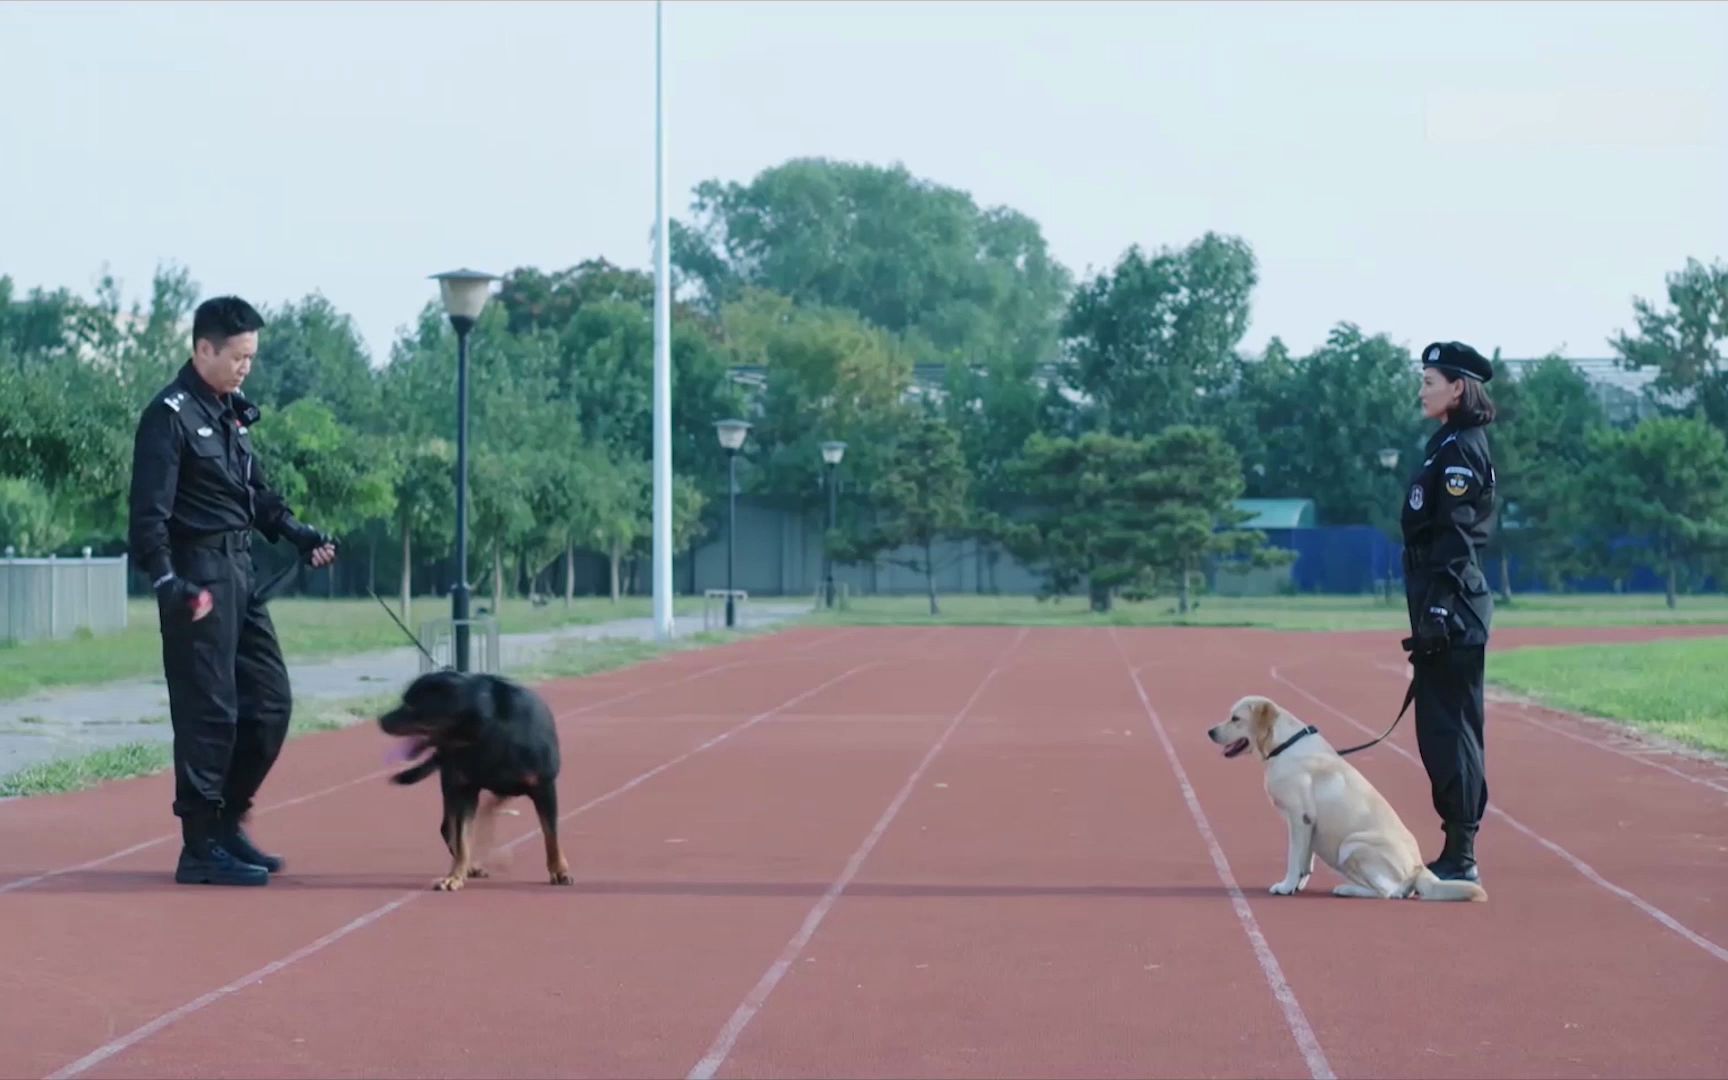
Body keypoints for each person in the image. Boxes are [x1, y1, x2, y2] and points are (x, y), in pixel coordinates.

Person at [128, 296, 338, 887]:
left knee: (269, 704)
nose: (247, 366)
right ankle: (198, 846)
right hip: (197, 578)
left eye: (252, 356)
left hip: (241, 573)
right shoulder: (167, 417)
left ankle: (226, 822)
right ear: (203, 349)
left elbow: (257, 496)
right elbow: (148, 517)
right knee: (209, 712)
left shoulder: (231, 415)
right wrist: (168, 583)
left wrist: (299, 534)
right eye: (238, 355)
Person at [1399, 340, 1498, 883]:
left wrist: (1438, 610)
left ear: (1457, 389)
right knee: (1441, 726)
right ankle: (1458, 848)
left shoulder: (1460, 450)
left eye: (1430, 381)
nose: (1422, 390)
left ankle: (1461, 854)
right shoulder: (1447, 443)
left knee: (1450, 729)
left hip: (1452, 607)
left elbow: (1456, 537)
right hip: (1445, 603)